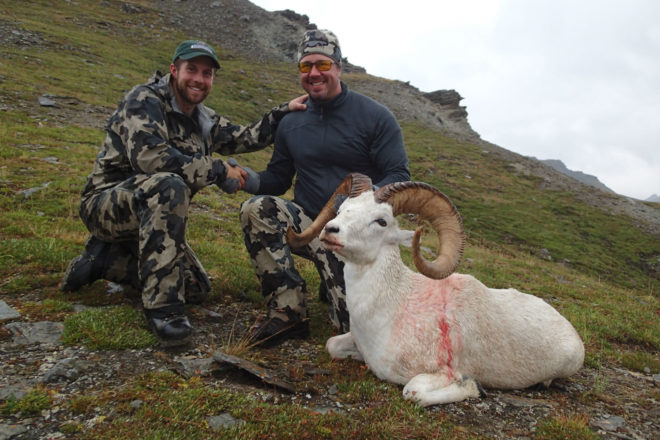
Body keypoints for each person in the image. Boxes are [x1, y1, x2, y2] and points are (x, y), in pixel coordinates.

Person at [61, 40, 307, 345]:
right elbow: (149, 158)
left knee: (195, 288)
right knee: (168, 185)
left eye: (207, 74)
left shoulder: (202, 119)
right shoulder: (143, 99)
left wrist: (283, 113)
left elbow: (244, 137)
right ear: (174, 70)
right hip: (107, 206)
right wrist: (218, 171)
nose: (199, 80)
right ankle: (163, 308)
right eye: (192, 70)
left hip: (152, 219)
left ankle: (104, 260)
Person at [239, 29, 410, 347]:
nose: (314, 73)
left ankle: (336, 287)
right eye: (306, 66)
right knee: (257, 209)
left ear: (339, 66)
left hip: (354, 234)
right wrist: (245, 179)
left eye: (322, 64)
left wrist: (363, 200)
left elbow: (398, 173)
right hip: (308, 223)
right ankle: (287, 314)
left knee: (357, 332)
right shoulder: (292, 123)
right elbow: (277, 179)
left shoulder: (375, 117)